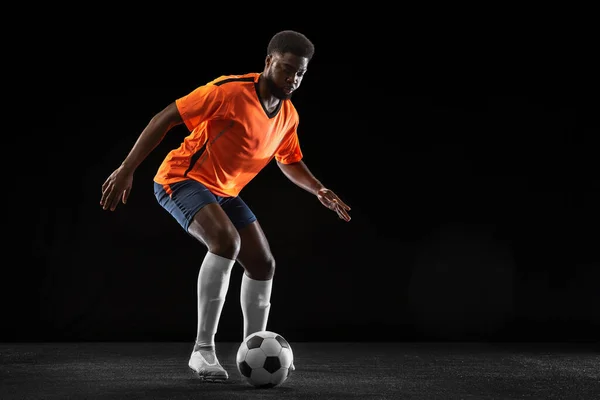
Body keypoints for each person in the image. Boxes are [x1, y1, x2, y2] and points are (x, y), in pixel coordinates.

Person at [100, 30, 351, 382]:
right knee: (226, 243)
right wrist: (127, 169)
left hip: (224, 192)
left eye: (300, 74)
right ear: (268, 62)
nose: (292, 79)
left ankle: (255, 344)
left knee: (263, 264)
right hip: (181, 179)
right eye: (286, 69)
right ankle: (202, 351)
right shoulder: (229, 91)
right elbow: (165, 116)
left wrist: (318, 188)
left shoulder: (288, 116)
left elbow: (288, 159)